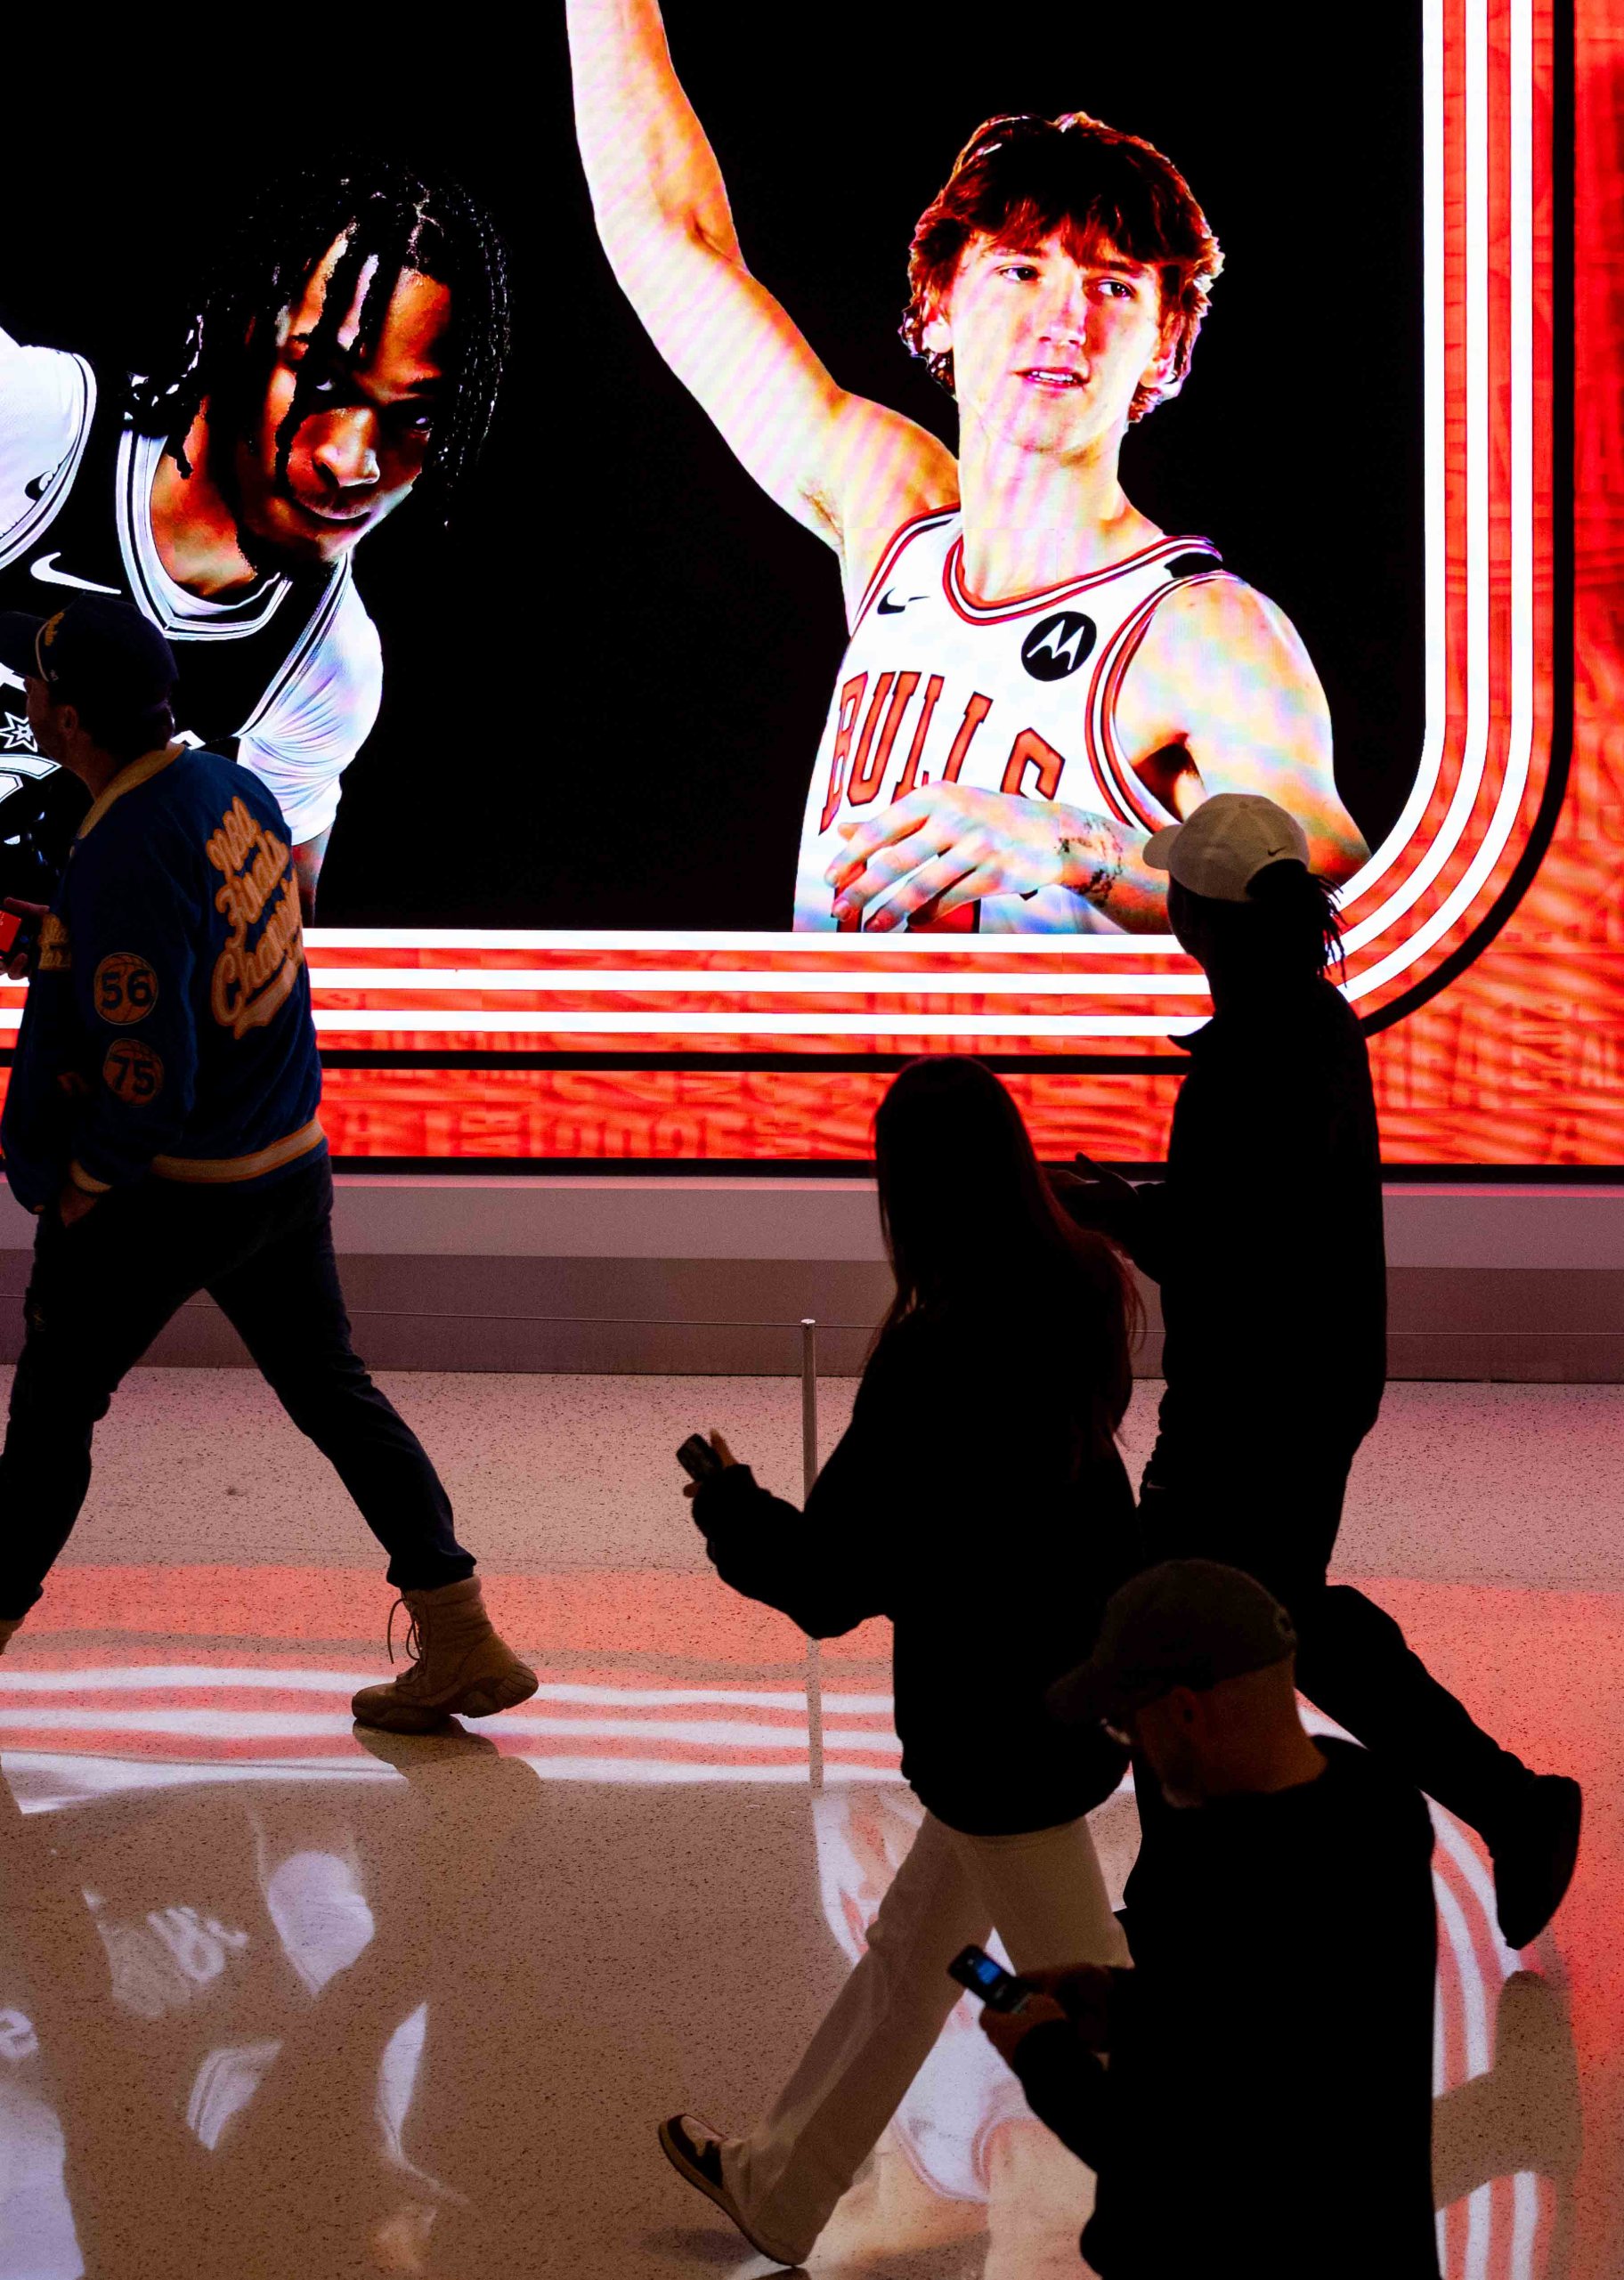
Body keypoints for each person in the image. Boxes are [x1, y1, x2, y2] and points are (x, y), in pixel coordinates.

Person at [565, 0, 1363, 934]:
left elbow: (1326, 872)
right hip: (845, 1078)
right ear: (939, 304)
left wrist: (1082, 846)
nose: (1066, 320)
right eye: (1021, 271)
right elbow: (670, 236)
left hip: (1040, 1083)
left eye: (1112, 285)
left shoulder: (1200, 625)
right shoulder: (894, 511)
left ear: (1162, 343)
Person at [0, 598, 533, 1731]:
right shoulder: (236, 789)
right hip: (282, 1168)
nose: (29, 701)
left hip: (170, 1194)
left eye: (40, 688)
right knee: (335, 1394)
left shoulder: (123, 853)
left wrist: (90, 1177)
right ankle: (461, 1626)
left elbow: (150, 1065)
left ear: (72, 719)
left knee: (52, 1414)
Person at [1060, 791, 1583, 1944]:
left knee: (1173, 1629)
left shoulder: (1248, 1060)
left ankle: (1178, 1901)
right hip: (1311, 1388)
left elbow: (1226, 1249)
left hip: (1254, 1405)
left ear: (1197, 920)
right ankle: (1509, 1803)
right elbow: (1255, 1225)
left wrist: (1127, 1222)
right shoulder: (1313, 1024)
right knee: (1284, 1619)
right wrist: (1141, 1209)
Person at [657, 1055, 1146, 2267]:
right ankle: (779, 2187)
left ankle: (1228, 2208)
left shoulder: (934, 1356)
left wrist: (729, 1502)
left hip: (993, 1727)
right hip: (1070, 1686)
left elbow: (829, 1578)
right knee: (913, 1958)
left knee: (1102, 2008)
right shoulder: (1086, 1287)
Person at [0, 158, 509, 913]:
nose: (352, 461)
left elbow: (268, 956)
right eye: (323, 379)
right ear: (237, 333)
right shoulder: (29, 426)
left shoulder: (322, 668)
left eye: (417, 415)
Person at [983, 1558, 1433, 2275]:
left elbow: (1165, 2158)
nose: (1137, 1750)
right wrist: (1124, 1999)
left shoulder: (1223, 1880)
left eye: (1129, 1725)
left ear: (1186, 1710)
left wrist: (1041, 2054)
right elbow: (1281, 2036)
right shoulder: (1376, 1799)